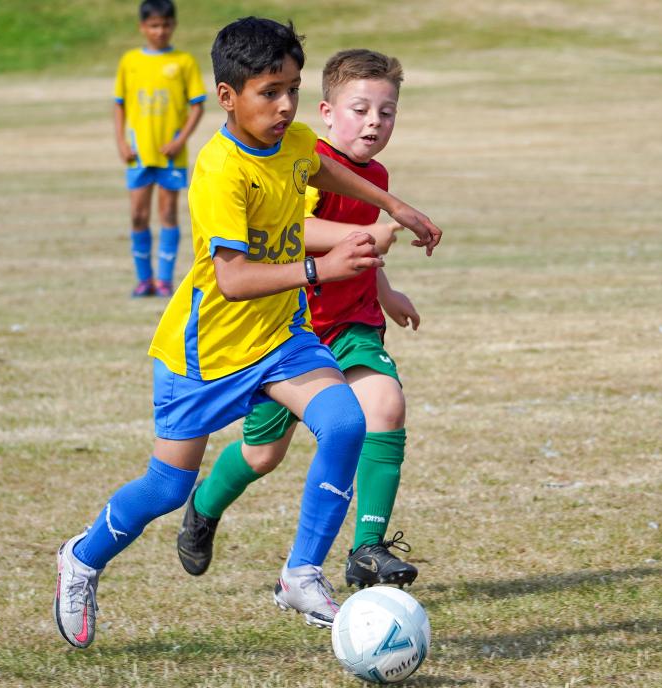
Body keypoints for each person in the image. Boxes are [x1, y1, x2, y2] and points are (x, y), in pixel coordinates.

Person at [54, 17, 441, 650]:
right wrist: (323, 264)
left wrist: (395, 206)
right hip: (206, 348)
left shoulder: (292, 140)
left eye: (291, 88)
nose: (285, 105)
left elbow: (321, 167)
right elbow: (232, 279)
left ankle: (301, 574)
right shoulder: (219, 170)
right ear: (228, 97)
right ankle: (83, 557)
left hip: (282, 336)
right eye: (270, 91)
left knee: (346, 423)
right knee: (167, 487)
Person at [176, 49, 423, 590]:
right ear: (326, 112)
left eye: (386, 113)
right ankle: (205, 505)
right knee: (263, 454)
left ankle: (367, 549)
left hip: (352, 325)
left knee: (384, 404)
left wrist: (384, 291)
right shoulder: (301, 162)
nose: (374, 123)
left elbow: (358, 254)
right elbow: (296, 230)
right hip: (292, 332)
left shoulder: (374, 175)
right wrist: (361, 236)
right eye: (360, 110)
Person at [113, 0, 206, 297]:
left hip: (170, 155)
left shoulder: (183, 62)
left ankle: (164, 280)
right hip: (138, 154)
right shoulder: (130, 61)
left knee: (168, 213)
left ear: (173, 25)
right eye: (153, 25)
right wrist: (121, 142)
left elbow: (197, 106)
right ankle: (144, 280)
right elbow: (120, 105)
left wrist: (180, 140)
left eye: (165, 24)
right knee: (138, 216)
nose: (159, 31)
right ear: (142, 27)